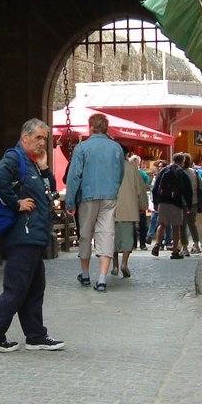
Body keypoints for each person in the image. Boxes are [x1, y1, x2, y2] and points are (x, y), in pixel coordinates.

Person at [0, 118, 65, 352]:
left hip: (34, 235)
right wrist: (15, 204)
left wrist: (46, 169)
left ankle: (36, 335)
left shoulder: (33, 163)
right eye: (38, 137)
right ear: (24, 137)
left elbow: (50, 193)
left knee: (35, 288)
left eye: (44, 139)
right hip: (23, 236)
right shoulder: (14, 158)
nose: (41, 143)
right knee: (16, 289)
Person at [64, 113, 125, 292]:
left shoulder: (82, 148)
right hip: (109, 196)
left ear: (90, 127)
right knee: (107, 234)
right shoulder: (116, 148)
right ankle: (102, 278)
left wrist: (70, 202)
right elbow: (120, 173)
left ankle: (85, 274)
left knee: (85, 234)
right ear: (106, 127)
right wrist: (113, 189)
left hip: (87, 196)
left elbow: (74, 176)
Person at [112, 145, 148, 278]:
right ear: (127, 154)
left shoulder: (109, 167)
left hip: (110, 207)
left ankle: (115, 266)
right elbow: (140, 188)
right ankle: (124, 263)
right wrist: (142, 206)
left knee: (112, 238)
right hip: (128, 208)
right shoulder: (132, 167)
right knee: (127, 237)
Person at [151, 154, 192, 260]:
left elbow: (155, 187)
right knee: (176, 227)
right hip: (176, 202)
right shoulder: (181, 172)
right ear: (182, 161)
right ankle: (174, 251)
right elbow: (187, 190)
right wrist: (189, 205)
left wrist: (156, 202)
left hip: (163, 201)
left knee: (162, 224)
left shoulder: (163, 171)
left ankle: (157, 244)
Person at [179, 153, 202, 256]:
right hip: (194, 202)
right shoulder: (195, 173)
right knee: (192, 224)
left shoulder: (179, 173)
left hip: (182, 203)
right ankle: (196, 245)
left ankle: (185, 247)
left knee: (182, 226)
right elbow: (200, 186)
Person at [130, 154, 150, 250]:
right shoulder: (141, 174)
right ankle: (140, 244)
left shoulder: (140, 174)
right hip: (136, 200)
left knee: (138, 224)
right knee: (139, 224)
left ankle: (138, 244)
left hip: (135, 200)